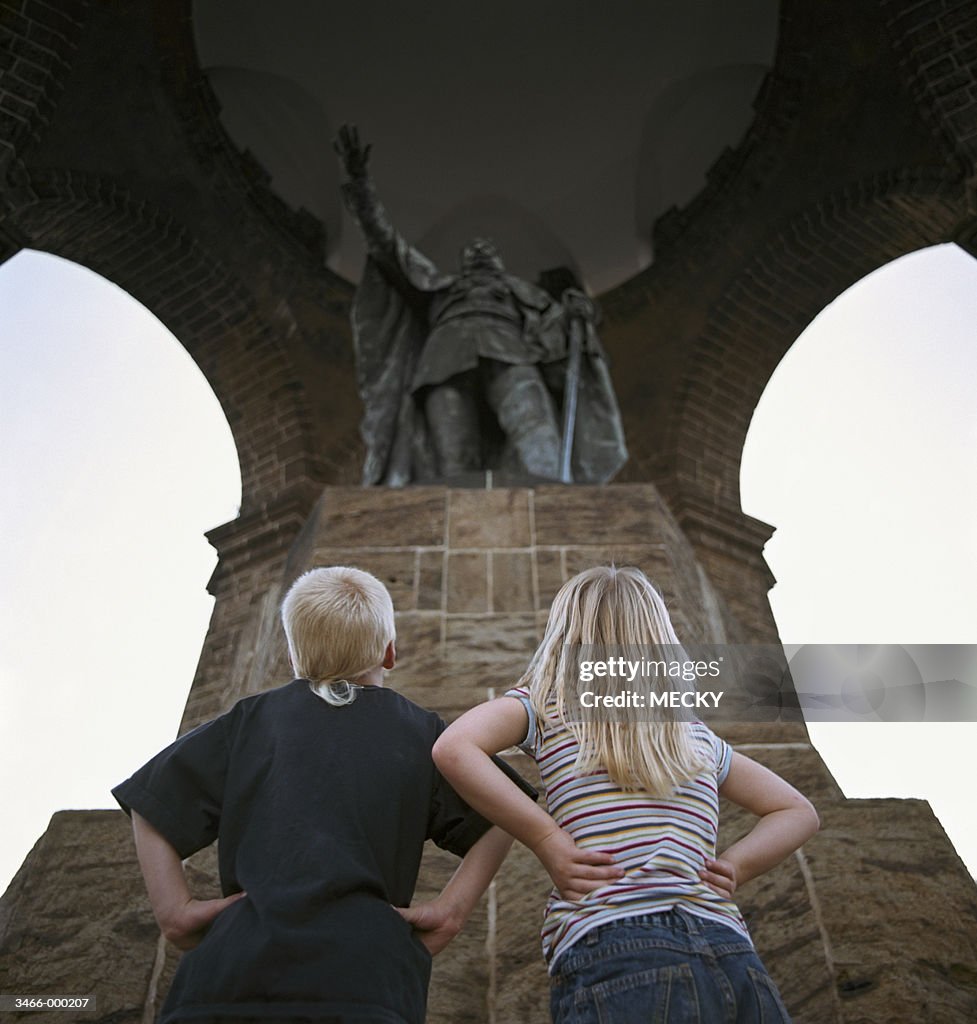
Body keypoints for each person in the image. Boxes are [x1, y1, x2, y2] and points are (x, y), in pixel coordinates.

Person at [112, 566, 564, 1024]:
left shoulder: (252, 721)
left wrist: (175, 911)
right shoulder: (420, 734)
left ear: (294, 656)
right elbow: (503, 809)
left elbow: (153, 800)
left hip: (229, 976)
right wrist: (451, 911)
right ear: (389, 652)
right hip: (366, 979)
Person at [432, 566, 820, 1023]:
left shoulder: (542, 706)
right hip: (731, 953)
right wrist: (734, 867)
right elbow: (797, 810)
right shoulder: (693, 735)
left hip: (615, 944)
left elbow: (453, 748)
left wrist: (546, 841)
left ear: (565, 634)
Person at [334, 124, 628, 485]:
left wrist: (577, 311)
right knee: (452, 466)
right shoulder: (437, 286)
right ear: (461, 265)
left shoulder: (525, 294)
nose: (480, 252)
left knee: (540, 442)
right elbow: (387, 244)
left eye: (488, 250)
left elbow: (558, 332)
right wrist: (362, 187)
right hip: (443, 361)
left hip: (513, 356)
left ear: (501, 264)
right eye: (472, 251)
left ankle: (557, 523)